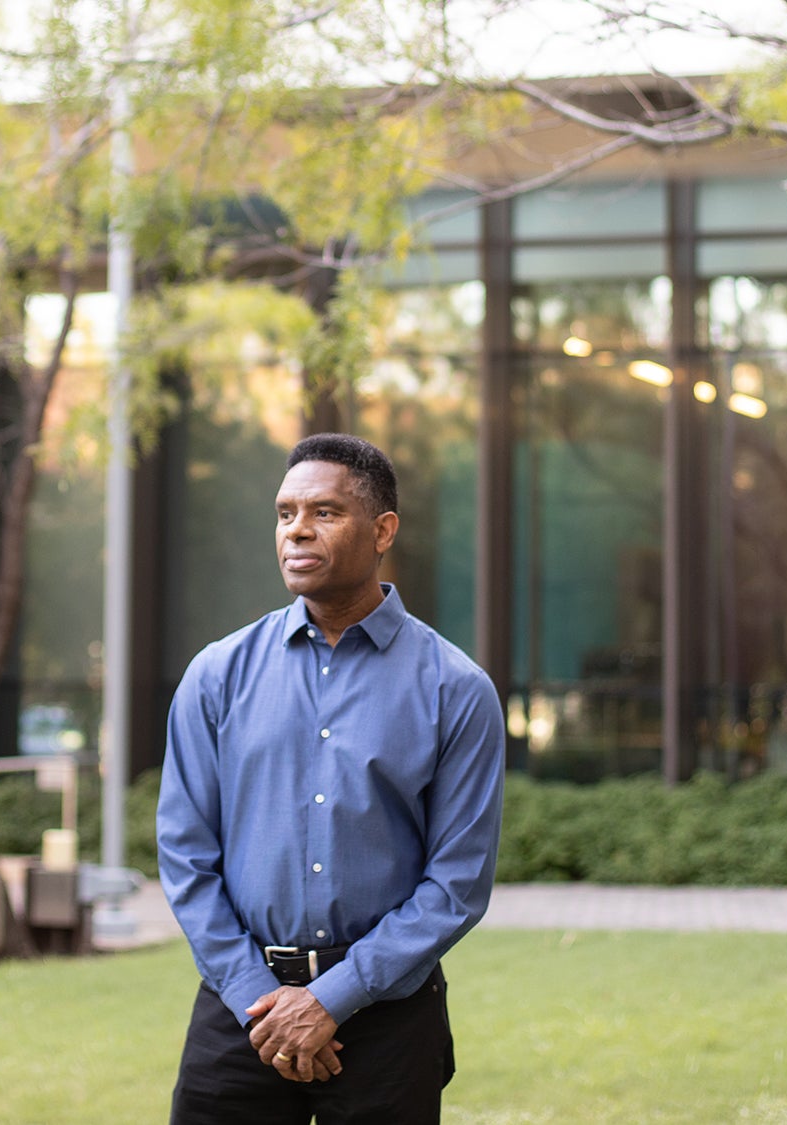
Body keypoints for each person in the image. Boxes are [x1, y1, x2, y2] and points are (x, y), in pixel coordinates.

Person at [157, 433, 507, 1124]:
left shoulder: (455, 689)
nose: (297, 530)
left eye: (324, 512)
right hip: (242, 1009)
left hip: (387, 1019)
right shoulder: (217, 675)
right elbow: (185, 856)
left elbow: (458, 882)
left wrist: (330, 999)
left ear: (383, 531)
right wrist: (265, 997)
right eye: (286, 513)